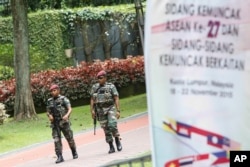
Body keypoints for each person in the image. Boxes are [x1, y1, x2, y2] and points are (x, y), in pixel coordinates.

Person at [90, 70, 122, 154]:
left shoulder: (111, 86)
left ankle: (117, 140)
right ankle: (111, 146)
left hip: (110, 108)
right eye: (98, 78)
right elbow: (92, 99)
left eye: (101, 78)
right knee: (106, 129)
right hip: (100, 110)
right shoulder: (94, 87)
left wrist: (118, 110)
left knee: (112, 125)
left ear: (105, 78)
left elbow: (116, 98)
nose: (99, 80)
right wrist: (92, 110)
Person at [46, 84, 78, 164]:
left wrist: (67, 115)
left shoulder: (63, 99)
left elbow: (70, 109)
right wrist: (49, 116)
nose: (53, 92)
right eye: (51, 91)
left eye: (54, 90)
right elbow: (48, 111)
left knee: (69, 138)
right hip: (55, 123)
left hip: (64, 122)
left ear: (58, 90)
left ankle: (74, 151)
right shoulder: (50, 101)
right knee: (56, 140)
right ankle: (59, 156)